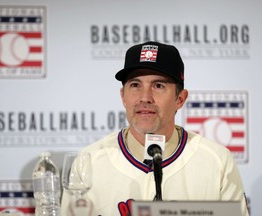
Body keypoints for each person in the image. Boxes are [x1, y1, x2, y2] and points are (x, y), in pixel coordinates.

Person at [61, 41, 249, 216]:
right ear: (123, 96)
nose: (145, 97)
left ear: (180, 99)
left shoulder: (216, 161)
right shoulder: (89, 162)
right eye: (135, 85)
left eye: (158, 85)